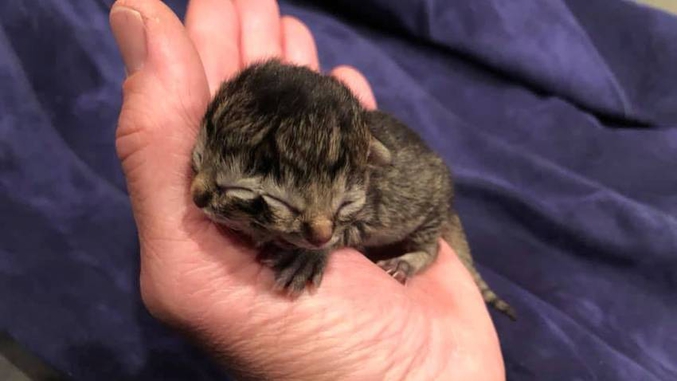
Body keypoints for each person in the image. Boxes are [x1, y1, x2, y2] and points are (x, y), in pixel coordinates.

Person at [109, 0, 505, 379]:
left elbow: (329, 227)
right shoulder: (225, 173)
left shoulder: (352, 190)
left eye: (335, 210)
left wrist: (318, 253)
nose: (321, 233)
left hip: (420, 201)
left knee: (426, 196)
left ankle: (423, 251)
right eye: (199, 159)